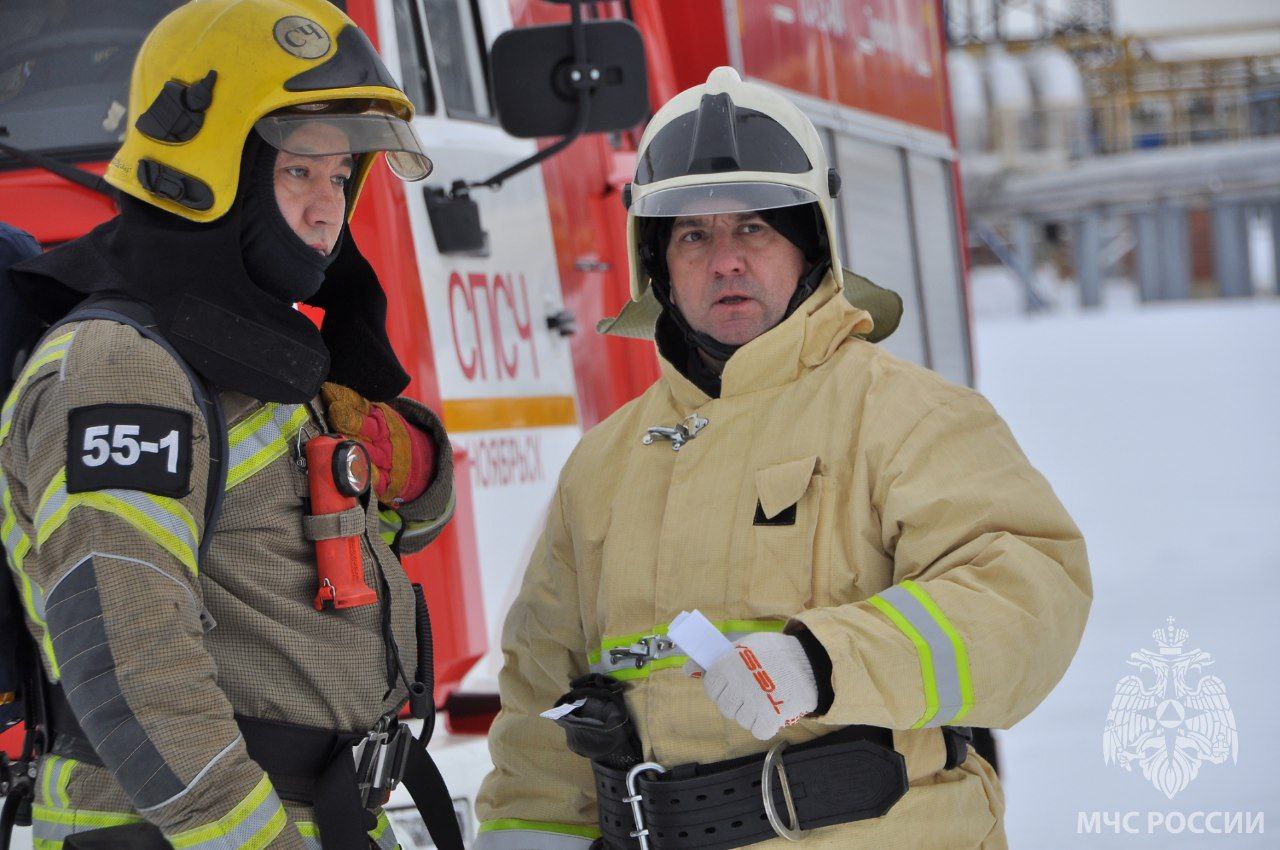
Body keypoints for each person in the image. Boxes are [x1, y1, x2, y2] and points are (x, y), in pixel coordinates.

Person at [473, 67, 1091, 849]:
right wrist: (528, 832)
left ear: (810, 245)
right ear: (656, 264)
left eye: (753, 229)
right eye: (694, 235)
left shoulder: (908, 416)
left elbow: (1027, 601)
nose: (725, 260)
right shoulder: (604, 463)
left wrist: (822, 663)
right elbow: (542, 692)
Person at [0, 1, 459, 848]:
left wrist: (414, 463)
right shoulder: (122, 367)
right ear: (215, 170)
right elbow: (132, 666)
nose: (328, 210)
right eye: (298, 173)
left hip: (314, 814)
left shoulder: (251, 350)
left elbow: (329, 546)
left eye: (341, 177)